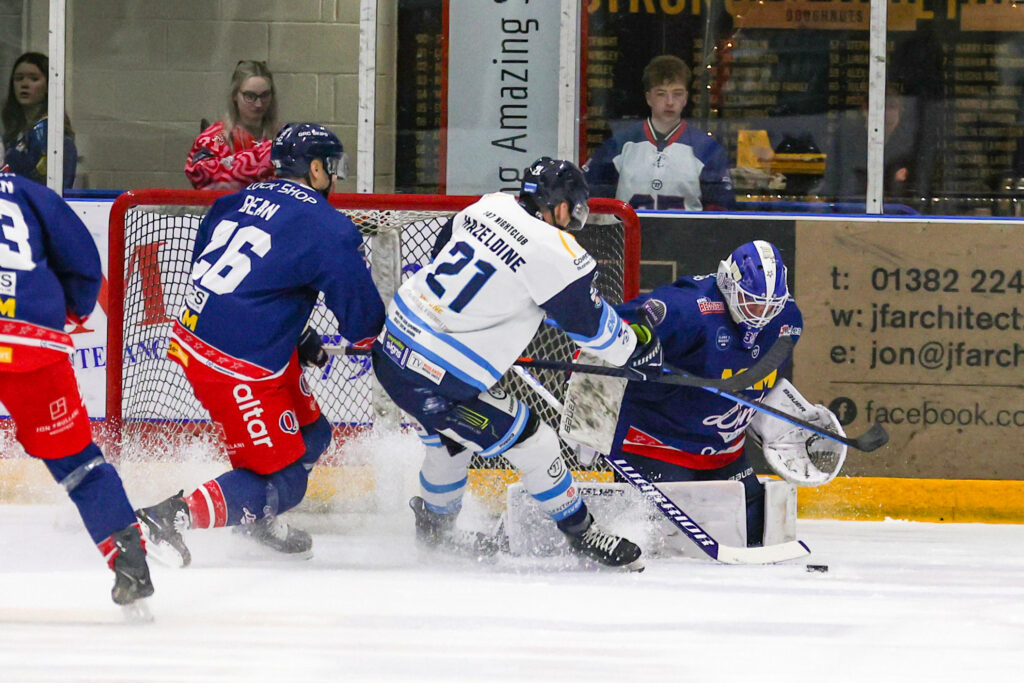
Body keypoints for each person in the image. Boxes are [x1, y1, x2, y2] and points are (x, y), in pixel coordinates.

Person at [370, 157, 661, 569]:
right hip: (436, 378)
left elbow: (442, 256)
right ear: (560, 207)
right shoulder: (556, 251)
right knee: (535, 441)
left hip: (391, 351)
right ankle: (582, 533)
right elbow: (593, 330)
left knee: (449, 440)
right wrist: (636, 349)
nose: (572, 220)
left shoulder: (488, 205)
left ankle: (434, 529)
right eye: (573, 209)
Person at [135, 123, 383, 566]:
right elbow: (362, 324)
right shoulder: (330, 226)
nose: (336, 177)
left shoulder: (232, 202)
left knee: (314, 434)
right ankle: (170, 517)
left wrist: (296, 332)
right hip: (237, 364)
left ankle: (257, 520)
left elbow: (220, 279)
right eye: (332, 167)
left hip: (205, 336)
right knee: (286, 479)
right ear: (314, 168)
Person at [605, 240, 840, 547]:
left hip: (725, 454)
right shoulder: (685, 309)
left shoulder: (788, 322)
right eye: (754, 303)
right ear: (728, 283)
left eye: (771, 306)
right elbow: (604, 331)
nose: (762, 315)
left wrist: (777, 416)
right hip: (655, 446)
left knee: (758, 536)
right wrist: (587, 415)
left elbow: (756, 377)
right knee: (660, 547)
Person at [0, 171, 152, 607]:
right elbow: (84, 265)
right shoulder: (29, 194)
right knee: (79, 463)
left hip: (32, 337)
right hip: (32, 342)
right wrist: (64, 313)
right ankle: (130, 565)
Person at [584, 55, 734, 211]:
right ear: (649, 98)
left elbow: (720, 212)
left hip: (685, 235)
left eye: (677, 94)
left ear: (685, 99)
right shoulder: (621, 144)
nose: (670, 102)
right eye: (661, 94)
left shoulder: (707, 149)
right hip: (629, 235)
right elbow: (590, 196)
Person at [185, 60, 279, 190]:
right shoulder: (218, 136)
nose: (259, 104)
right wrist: (262, 156)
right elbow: (197, 172)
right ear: (235, 95)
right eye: (250, 96)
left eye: (265, 95)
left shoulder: (282, 136)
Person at [1, 52, 77, 188]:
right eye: (19, 78)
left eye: (34, 79)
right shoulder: (15, 133)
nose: (24, 84)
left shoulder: (53, 134)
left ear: (49, 86)